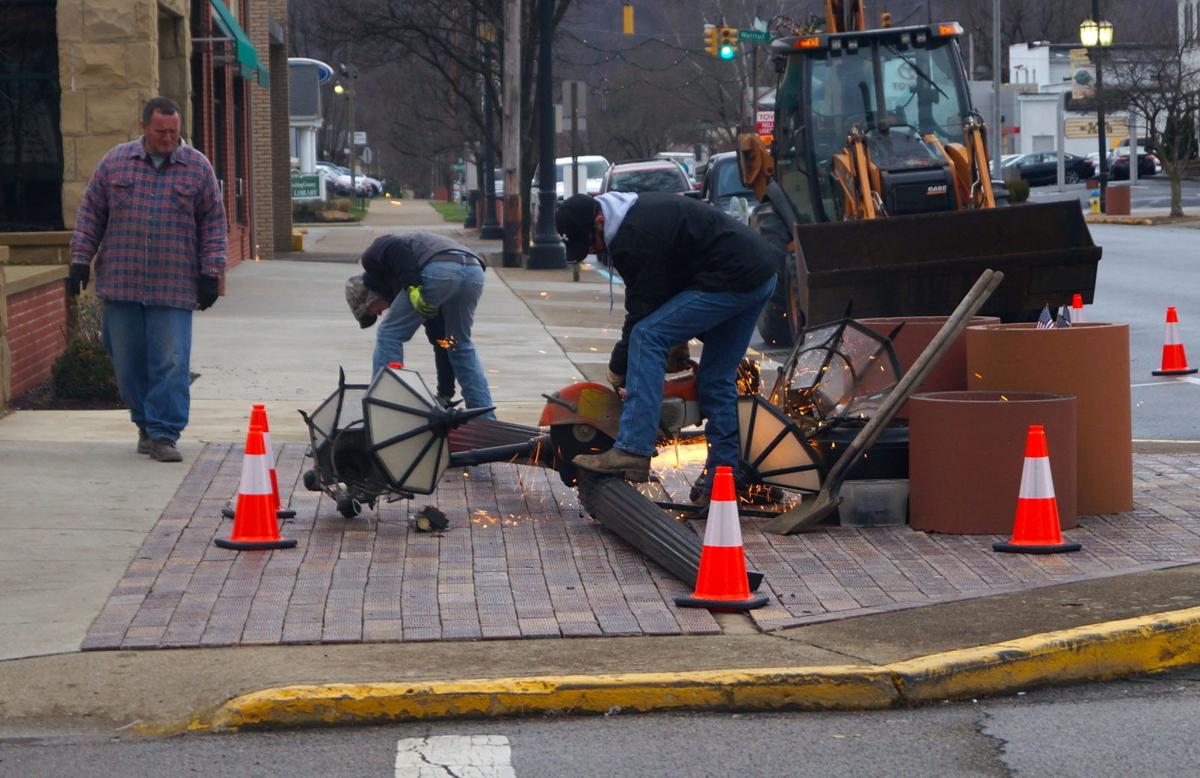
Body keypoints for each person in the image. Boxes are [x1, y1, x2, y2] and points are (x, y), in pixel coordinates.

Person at [554, 192, 780, 493]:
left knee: (648, 336)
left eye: (591, 243)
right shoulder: (632, 219)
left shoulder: (633, 235)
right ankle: (723, 477)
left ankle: (633, 450)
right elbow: (664, 285)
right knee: (715, 378)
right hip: (758, 274)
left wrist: (619, 367)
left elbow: (643, 309)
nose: (595, 250)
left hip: (734, 276)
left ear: (599, 220)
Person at [68, 96, 227, 463]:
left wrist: (210, 273)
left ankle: (164, 433)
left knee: (170, 360)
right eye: (161, 131)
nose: (169, 138)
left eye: (174, 131)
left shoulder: (197, 167)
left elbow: (214, 225)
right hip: (121, 283)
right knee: (127, 363)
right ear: (143, 127)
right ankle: (144, 423)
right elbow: (91, 213)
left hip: (174, 286)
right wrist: (80, 259)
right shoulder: (115, 162)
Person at [345, 232, 494, 416]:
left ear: (368, 297)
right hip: (473, 272)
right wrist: (445, 394)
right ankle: (484, 416)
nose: (381, 313)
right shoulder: (425, 303)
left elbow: (394, 246)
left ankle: (385, 407)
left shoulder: (371, 260)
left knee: (389, 333)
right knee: (456, 343)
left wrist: (412, 285)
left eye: (372, 312)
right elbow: (442, 344)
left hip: (440, 270)